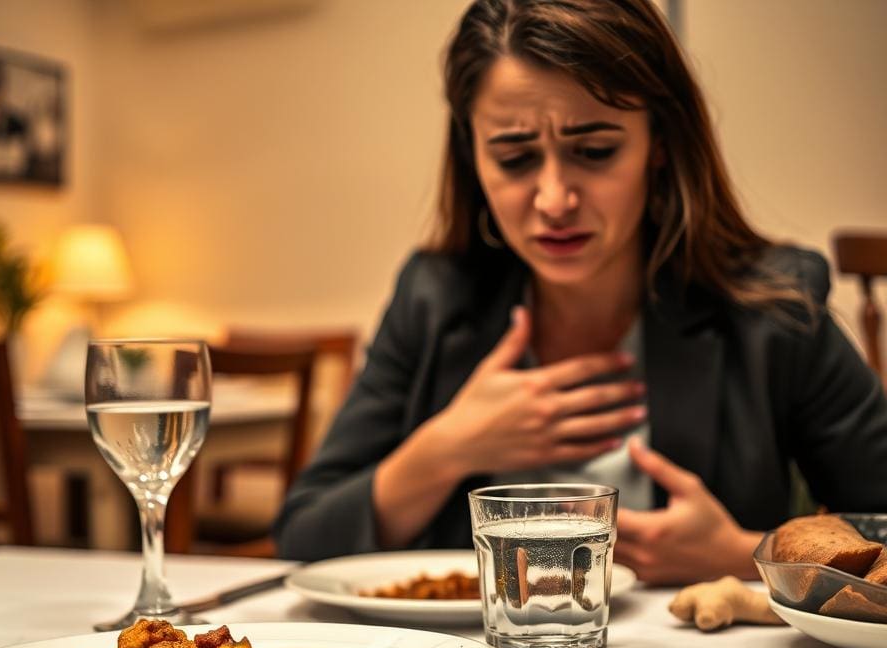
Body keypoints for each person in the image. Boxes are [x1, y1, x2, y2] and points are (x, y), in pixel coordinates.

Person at [274, 0, 887, 584]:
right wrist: (445, 449)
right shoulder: (435, 297)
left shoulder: (773, 307)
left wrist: (738, 554)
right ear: (472, 158)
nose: (554, 200)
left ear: (660, 145)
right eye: (514, 158)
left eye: (594, 151)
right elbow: (302, 537)